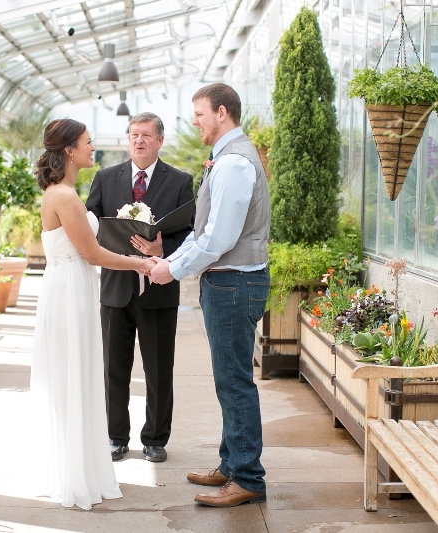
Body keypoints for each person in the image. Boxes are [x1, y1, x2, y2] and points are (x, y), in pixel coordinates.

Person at [150, 83, 270, 507]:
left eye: (199, 113)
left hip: (234, 284)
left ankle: (249, 478)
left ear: (222, 112)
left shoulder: (235, 163)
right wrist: (169, 260)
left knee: (235, 381)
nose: (195, 121)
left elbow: (218, 238)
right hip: (229, 282)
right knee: (228, 379)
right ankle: (233, 464)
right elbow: (204, 232)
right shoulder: (227, 158)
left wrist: (173, 269)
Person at [30, 118, 153, 510]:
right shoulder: (64, 196)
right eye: (87, 141)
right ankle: (75, 474)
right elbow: (94, 254)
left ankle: (81, 467)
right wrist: (140, 264)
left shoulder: (66, 191)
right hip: (69, 291)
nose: (92, 146)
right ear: (68, 150)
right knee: (74, 375)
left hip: (74, 286)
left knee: (80, 375)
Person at [86, 112, 194, 463]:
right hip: (116, 289)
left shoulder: (179, 181)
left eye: (146, 135)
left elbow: (190, 234)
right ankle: (116, 437)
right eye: (134, 134)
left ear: (160, 140)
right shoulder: (105, 178)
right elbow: (90, 226)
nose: (139, 141)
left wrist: (164, 249)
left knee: (159, 370)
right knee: (113, 367)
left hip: (159, 289)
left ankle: (155, 439)